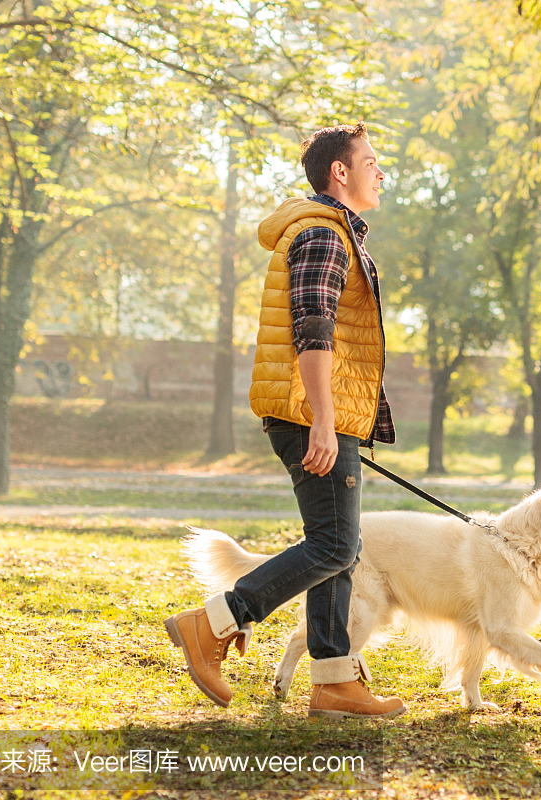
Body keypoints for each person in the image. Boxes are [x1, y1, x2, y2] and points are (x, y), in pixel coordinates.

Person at [164, 122, 405, 719]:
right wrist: (325, 420)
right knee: (335, 544)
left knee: (339, 549)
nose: (381, 171)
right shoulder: (324, 235)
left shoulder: (336, 232)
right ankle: (213, 622)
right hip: (309, 416)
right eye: (371, 161)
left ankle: (333, 682)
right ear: (339, 171)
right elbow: (313, 329)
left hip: (325, 415)